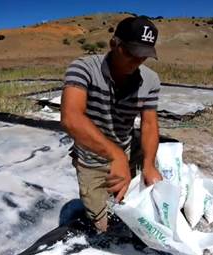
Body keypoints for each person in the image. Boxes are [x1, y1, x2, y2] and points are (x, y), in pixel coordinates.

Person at [61, 16, 163, 232]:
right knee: (103, 226)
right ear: (114, 44)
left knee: (135, 214)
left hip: (125, 148)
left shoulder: (151, 80)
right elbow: (71, 118)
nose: (136, 62)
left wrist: (148, 165)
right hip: (92, 158)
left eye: (143, 56)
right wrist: (115, 156)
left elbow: (149, 125)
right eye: (131, 53)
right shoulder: (83, 68)